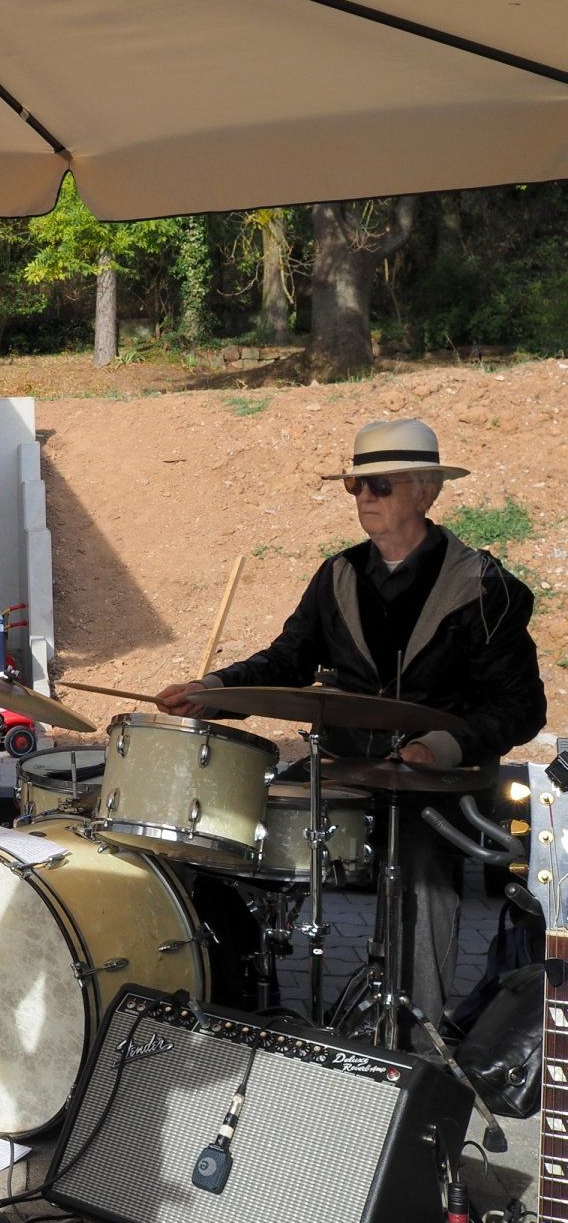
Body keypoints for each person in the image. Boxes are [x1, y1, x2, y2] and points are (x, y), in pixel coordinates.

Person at [160, 418, 545, 1027]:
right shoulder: (336, 575)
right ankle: (237, 1000)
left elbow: (521, 707)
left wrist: (441, 745)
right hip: (344, 766)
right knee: (233, 826)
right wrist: (216, 690)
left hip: (436, 782)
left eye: (380, 485)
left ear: (426, 491)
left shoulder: (485, 589)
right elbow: (287, 660)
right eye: (354, 485)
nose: (364, 497)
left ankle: (413, 1030)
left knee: (421, 871)